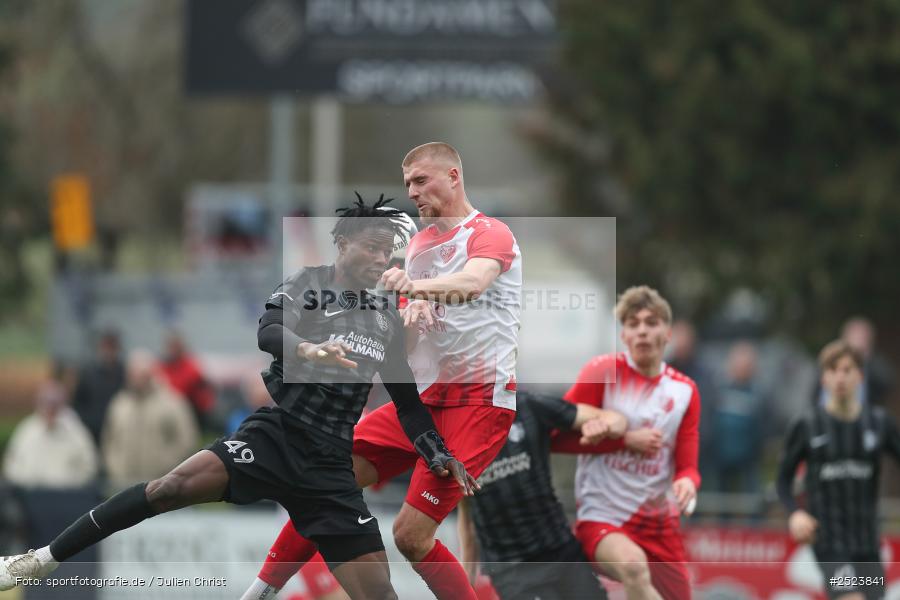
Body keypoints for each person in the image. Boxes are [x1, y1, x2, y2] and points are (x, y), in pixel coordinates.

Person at [0, 195, 475, 600]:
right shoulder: (309, 285)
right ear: (342, 244)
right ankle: (41, 559)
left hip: (331, 468)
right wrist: (305, 346)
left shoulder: (385, 318)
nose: (381, 259)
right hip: (276, 436)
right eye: (372, 248)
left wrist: (437, 452)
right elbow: (269, 331)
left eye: (388, 252)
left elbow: (408, 404)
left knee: (380, 595)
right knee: (167, 489)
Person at [240, 142, 523, 600]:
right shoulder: (417, 248)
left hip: (478, 404)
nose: (412, 191)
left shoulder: (489, 233)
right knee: (326, 478)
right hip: (423, 402)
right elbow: (407, 333)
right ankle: (257, 593)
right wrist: (409, 312)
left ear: (453, 176)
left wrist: (417, 290)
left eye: (421, 180)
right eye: (407, 182)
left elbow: (472, 284)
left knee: (411, 536)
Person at [556, 286, 701, 600]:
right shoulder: (603, 372)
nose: (643, 331)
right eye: (633, 324)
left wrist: (687, 483)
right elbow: (555, 438)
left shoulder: (685, 390)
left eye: (651, 323)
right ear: (624, 335)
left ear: (668, 333)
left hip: (659, 525)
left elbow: (688, 466)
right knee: (634, 566)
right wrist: (622, 441)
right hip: (603, 518)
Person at [457, 390, 624, 600]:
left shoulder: (527, 405)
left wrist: (604, 426)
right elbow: (467, 519)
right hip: (512, 570)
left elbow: (616, 420)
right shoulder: (455, 433)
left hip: (561, 552)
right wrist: (466, 583)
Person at [777, 340, 898, 600]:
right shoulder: (807, 425)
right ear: (823, 379)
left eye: (847, 370)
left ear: (860, 376)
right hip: (829, 541)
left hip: (867, 541)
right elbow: (783, 480)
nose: (840, 377)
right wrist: (795, 513)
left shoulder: (879, 423)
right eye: (832, 370)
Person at [101, 350, 199, 489]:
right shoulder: (119, 404)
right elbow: (108, 440)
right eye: (133, 374)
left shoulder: (173, 403)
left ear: (152, 374)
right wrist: (114, 467)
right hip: (121, 484)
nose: (137, 379)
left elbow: (186, 440)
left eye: (142, 375)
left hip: (160, 485)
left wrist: (167, 467)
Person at [3, 381, 98, 489]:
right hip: (31, 497)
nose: (50, 408)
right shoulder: (26, 430)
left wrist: (72, 485)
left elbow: (89, 466)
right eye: (46, 402)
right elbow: (11, 464)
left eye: (54, 404)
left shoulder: (77, 432)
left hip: (66, 496)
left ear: (62, 404)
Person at [71, 330, 125, 445]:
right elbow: (77, 404)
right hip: (93, 432)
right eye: (106, 347)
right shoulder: (87, 374)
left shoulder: (124, 374)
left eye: (112, 347)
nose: (109, 352)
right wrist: (89, 421)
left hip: (119, 432)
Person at [158, 330, 216, 431]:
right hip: (166, 410)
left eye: (175, 346)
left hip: (190, 412)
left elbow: (202, 397)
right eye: (170, 346)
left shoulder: (192, 368)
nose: (172, 350)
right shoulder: (162, 367)